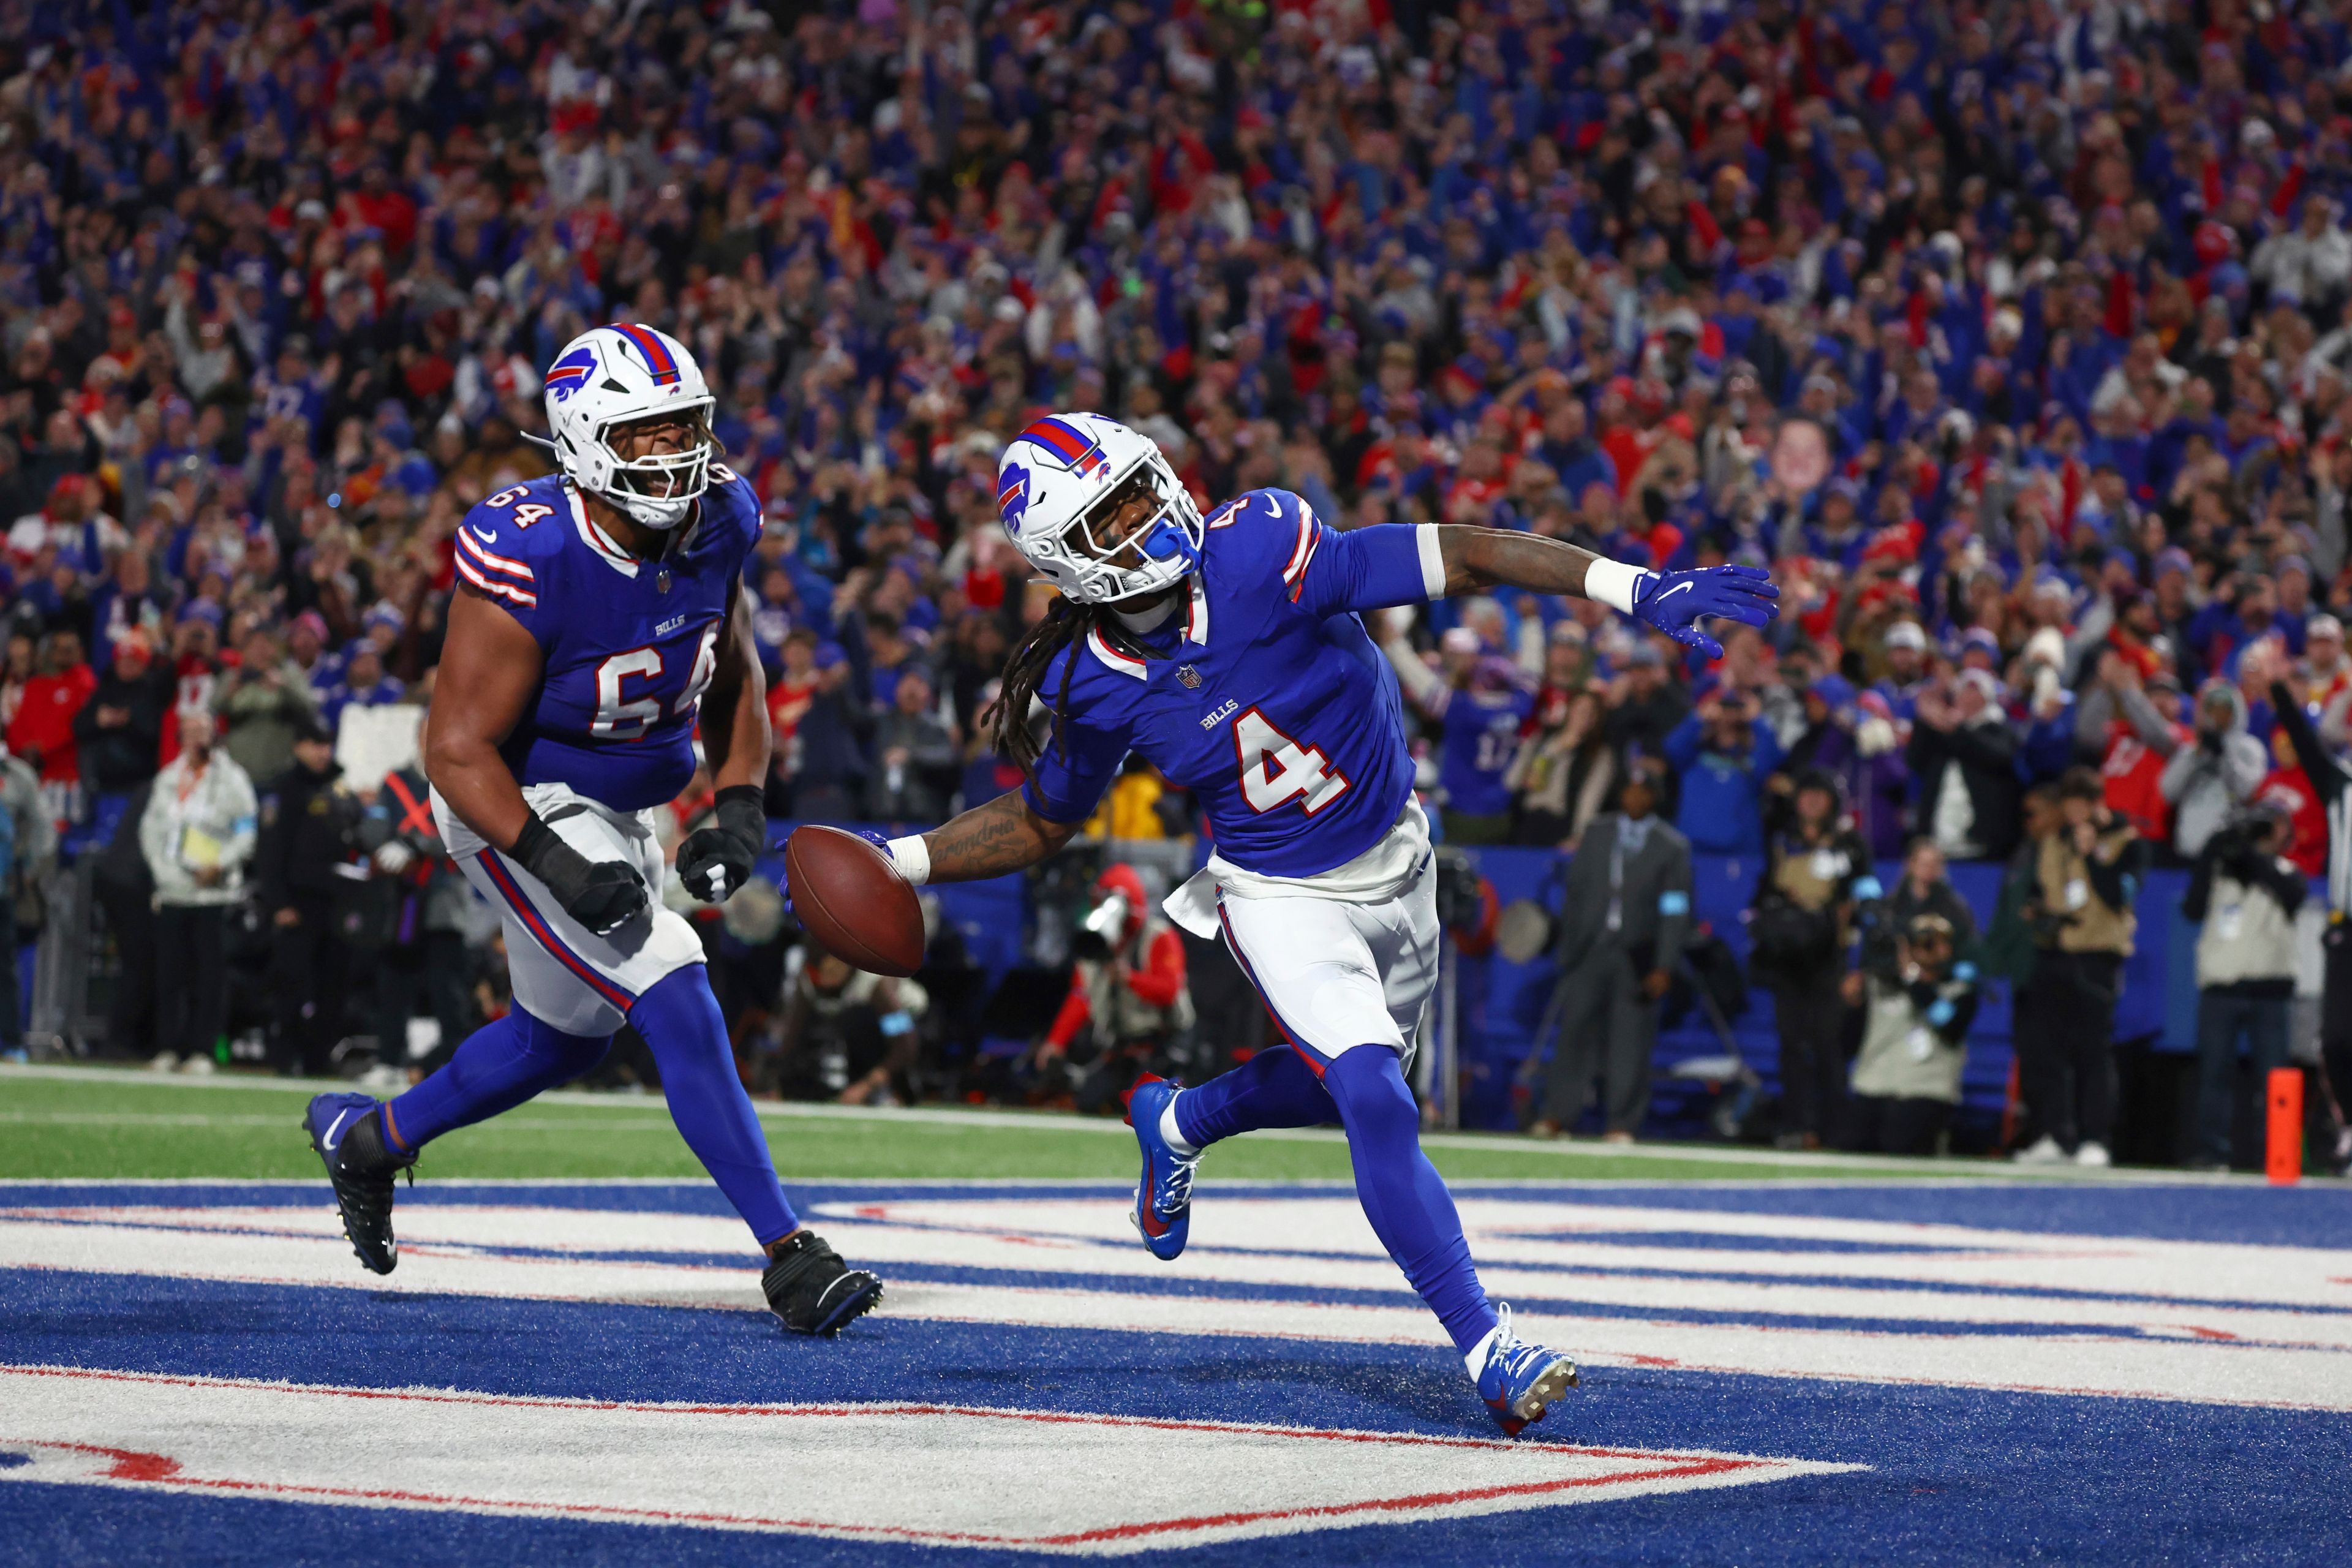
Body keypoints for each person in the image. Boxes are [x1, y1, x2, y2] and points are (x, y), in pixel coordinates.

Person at [842, 411, 1777, 1434]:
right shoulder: (1086, 680)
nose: (1150, 512)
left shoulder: (1263, 548)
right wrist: (903, 862)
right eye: (1111, 514)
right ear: (1069, 562)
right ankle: (1488, 1343)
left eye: (1143, 484)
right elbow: (1040, 818)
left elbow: (1459, 556)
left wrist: (1633, 587)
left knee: (1346, 1086)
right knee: (1376, 1098)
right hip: (1277, 894)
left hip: (1399, 860)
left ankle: (1178, 1119)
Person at [300, 323, 880, 1337]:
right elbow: (457, 750)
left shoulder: (722, 516)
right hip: (521, 806)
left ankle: (368, 1141)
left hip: (631, 804)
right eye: (645, 435)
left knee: (562, 1039)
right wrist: (551, 858)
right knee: (672, 977)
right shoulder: (531, 545)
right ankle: (792, 1255)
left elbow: (734, 667)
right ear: (584, 443)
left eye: (684, 428)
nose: (675, 454)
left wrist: (739, 803)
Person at [1529, 770, 1692, 1141]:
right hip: (1591, 948)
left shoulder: (1671, 846)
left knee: (1630, 1041)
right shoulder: (1597, 833)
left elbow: (1675, 908)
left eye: (1641, 791)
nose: (1633, 797)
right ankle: (1558, 1114)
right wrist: (1569, 948)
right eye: (1628, 789)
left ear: (1653, 797)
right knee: (1574, 1033)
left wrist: (1665, 964)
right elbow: (1576, 892)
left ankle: (1621, 1122)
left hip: (1639, 955)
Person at [2013, 767, 2147, 1167]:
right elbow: (2045, 891)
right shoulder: (2055, 841)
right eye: (2067, 809)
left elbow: (2117, 895)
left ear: (2095, 805)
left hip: (2099, 955)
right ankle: (2056, 1134)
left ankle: (2096, 1138)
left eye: (2078, 809)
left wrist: (2092, 858)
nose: (2072, 818)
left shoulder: (2127, 843)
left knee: (2093, 1050)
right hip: (2057, 951)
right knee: (2048, 1050)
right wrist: (2038, 913)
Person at [2259, 641, 2352, 1175]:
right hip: (2346, 929)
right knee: (2337, 1038)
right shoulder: (2340, 785)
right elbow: (2304, 743)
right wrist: (2277, 688)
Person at [1750, 769, 1875, 1150]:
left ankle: (1833, 1129)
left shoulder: (1849, 844)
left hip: (1829, 956)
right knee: (1790, 1044)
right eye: (1807, 795)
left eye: (1820, 796)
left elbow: (1867, 894)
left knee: (1828, 1044)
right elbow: (1763, 892)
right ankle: (1795, 1125)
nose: (1812, 802)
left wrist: (1858, 923)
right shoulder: (1783, 841)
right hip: (1789, 957)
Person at [2182, 801, 2305, 1171]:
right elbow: (2191, 909)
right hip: (2221, 989)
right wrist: (2212, 851)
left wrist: (2250, 853)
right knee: (2214, 1075)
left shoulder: (2285, 870)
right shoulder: (2221, 871)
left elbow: (2292, 893)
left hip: (2270, 991)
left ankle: (2276, 1153)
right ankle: (2212, 1152)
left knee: (2272, 1078)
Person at [139, 709, 257, 1074]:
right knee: (169, 974)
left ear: (214, 734)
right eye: (190, 731)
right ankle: (168, 1048)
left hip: (214, 893)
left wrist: (221, 863)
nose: (197, 738)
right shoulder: (168, 779)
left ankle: (203, 1051)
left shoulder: (233, 779)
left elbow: (246, 828)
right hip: (174, 890)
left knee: (210, 975)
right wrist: (163, 875)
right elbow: (151, 831)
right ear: (179, 737)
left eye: (203, 731)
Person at [355, 734, 475, 1089]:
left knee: (447, 990)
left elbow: (465, 832)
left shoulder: (462, 780)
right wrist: (384, 845)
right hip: (402, 899)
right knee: (394, 983)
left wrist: (415, 844)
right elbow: (374, 823)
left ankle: (455, 1064)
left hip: (444, 899)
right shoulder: (394, 782)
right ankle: (390, 1059)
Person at [1036, 863, 1196, 1114]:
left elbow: (1169, 991)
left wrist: (1130, 978)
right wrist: (1056, 1042)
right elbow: (1081, 995)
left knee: (1145, 1110)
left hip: (1161, 1044)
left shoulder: (1159, 937)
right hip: (1119, 1046)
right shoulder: (1093, 942)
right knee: (1088, 1103)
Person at [254, 715, 361, 1077]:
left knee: (334, 986)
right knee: (292, 985)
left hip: (337, 903)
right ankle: (284, 1057)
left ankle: (319, 1059)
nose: (322, 752)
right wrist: (278, 903)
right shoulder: (284, 790)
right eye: (315, 744)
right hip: (297, 902)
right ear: (298, 746)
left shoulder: (342, 787)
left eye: (326, 744)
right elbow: (270, 852)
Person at [1841, 913, 1980, 1155]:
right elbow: (1845, 1044)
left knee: (1900, 1143)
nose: (1931, 950)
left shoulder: (1960, 991)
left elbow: (1948, 1026)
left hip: (1925, 1089)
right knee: (1850, 1143)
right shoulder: (1878, 986)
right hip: (1873, 1085)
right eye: (1923, 943)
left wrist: (1914, 980)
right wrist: (1850, 1005)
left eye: (1939, 943)